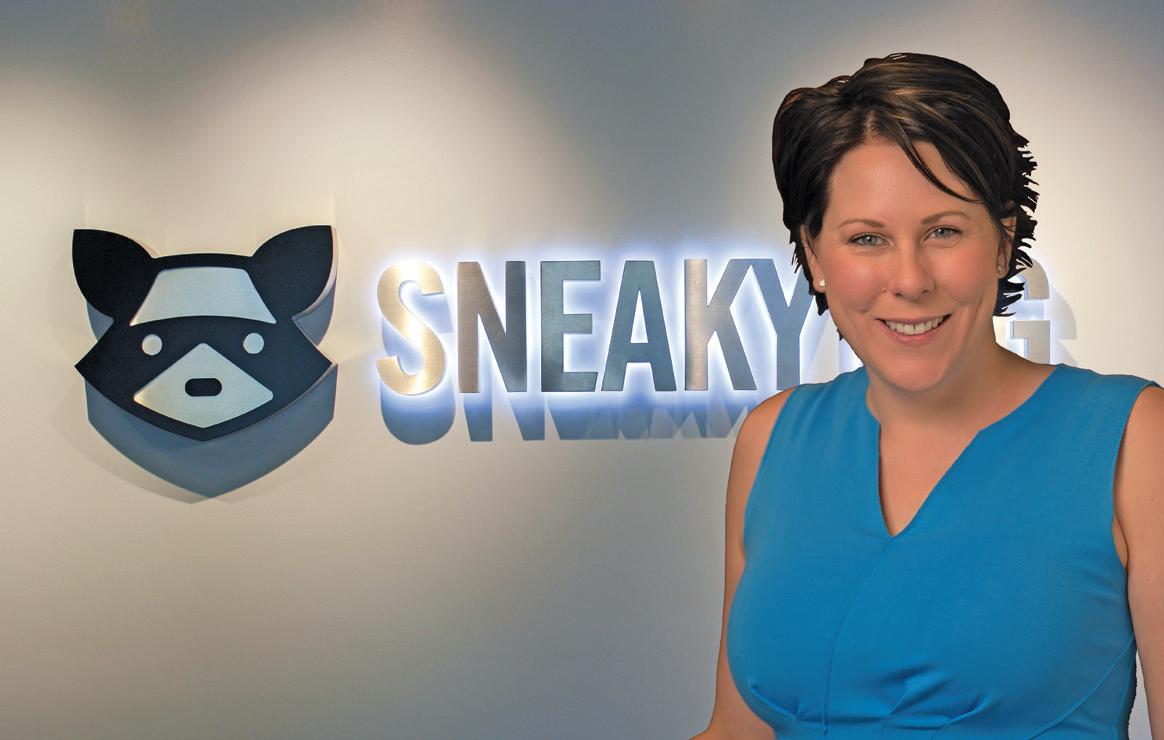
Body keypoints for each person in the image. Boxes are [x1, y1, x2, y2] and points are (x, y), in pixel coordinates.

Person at [692, 53, 1162, 739]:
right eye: (867, 239)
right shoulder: (772, 437)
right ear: (815, 257)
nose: (910, 280)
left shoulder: (1134, 439)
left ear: (1002, 241)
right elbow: (738, 730)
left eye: (943, 231)